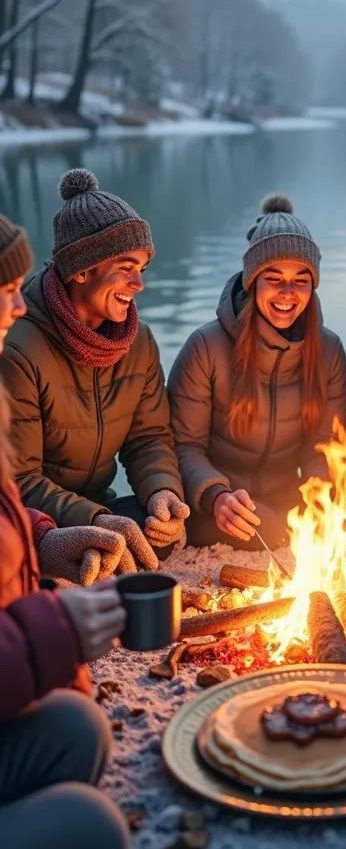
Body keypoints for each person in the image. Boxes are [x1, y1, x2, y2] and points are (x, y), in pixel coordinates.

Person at [0, 212, 130, 849]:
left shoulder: (140, 341)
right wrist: (54, 628)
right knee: (93, 825)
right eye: (3, 293)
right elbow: (22, 476)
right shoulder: (23, 355)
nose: (17, 309)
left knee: (81, 728)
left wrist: (44, 539)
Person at [0, 169, 189, 574]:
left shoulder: (139, 342)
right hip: (36, 519)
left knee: (157, 536)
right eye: (125, 267)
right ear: (81, 270)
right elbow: (18, 477)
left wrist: (162, 492)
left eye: (142, 267)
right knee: (98, 554)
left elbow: (148, 438)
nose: (138, 283)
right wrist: (93, 520)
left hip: (99, 502)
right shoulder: (18, 346)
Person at [169, 195, 346, 548]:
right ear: (252, 282)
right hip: (223, 504)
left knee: (337, 523)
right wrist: (216, 494)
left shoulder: (328, 350)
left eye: (301, 279)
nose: (288, 292)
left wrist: (319, 501)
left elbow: (323, 446)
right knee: (264, 529)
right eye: (274, 277)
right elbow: (184, 445)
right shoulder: (206, 346)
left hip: (289, 503)